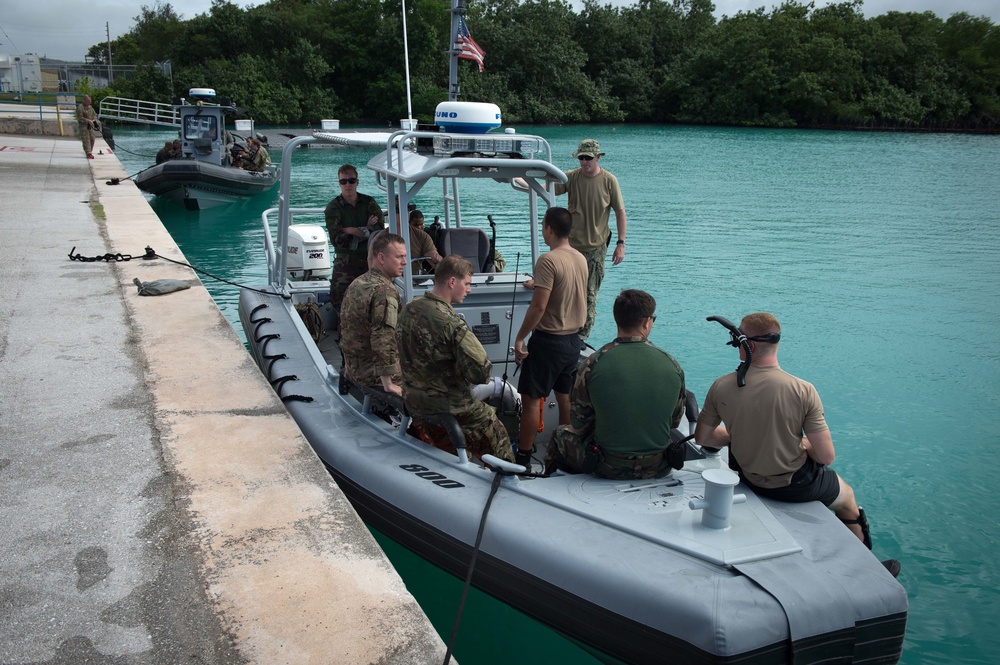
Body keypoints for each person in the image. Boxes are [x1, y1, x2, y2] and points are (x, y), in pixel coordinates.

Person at [694, 312, 901, 577]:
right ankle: (868, 569)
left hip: (748, 478)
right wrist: (803, 444)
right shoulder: (803, 389)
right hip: (794, 485)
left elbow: (704, 438)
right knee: (847, 498)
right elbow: (826, 457)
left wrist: (739, 433)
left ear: (749, 345)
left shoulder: (721, 386)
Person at [544, 289, 686, 479]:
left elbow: (579, 423)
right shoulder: (671, 364)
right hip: (658, 465)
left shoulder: (593, 364)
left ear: (617, 319)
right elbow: (674, 421)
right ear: (646, 322)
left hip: (607, 465)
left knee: (559, 434)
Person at [396, 255, 514, 463]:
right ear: (452, 282)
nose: (469, 289)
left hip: (415, 401)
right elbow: (481, 373)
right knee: (496, 430)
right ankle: (508, 474)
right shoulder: (451, 323)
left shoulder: (409, 309)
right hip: (451, 406)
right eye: (467, 284)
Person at [512, 207, 588, 470]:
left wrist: (520, 338)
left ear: (550, 229)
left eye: (543, 225)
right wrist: (538, 283)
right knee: (564, 396)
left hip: (548, 341)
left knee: (531, 399)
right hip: (573, 342)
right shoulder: (580, 258)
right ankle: (564, 451)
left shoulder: (547, 260)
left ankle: (523, 457)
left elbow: (538, 307)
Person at [553, 138, 627, 340]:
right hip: (571, 248)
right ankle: (565, 329)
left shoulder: (609, 180)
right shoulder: (571, 177)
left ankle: (582, 336)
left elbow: (620, 212)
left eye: (588, 158)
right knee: (565, 290)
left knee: (589, 294)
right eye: (581, 158)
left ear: (597, 158)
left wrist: (620, 244)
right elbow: (546, 187)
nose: (584, 162)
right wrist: (518, 179)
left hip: (595, 248)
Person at [339, 232, 408, 396]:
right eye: (399, 257)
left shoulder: (358, 282)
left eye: (405, 257)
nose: (404, 262)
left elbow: (346, 329)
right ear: (382, 258)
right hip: (374, 374)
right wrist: (388, 383)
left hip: (355, 368)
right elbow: (383, 338)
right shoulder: (384, 291)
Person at [325, 164, 386, 314]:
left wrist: (351, 230)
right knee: (342, 305)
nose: (348, 185)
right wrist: (365, 229)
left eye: (351, 181)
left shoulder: (369, 202)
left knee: (372, 305)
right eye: (343, 181)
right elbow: (337, 239)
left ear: (357, 182)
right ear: (339, 183)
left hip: (369, 263)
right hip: (345, 265)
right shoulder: (333, 208)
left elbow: (378, 230)